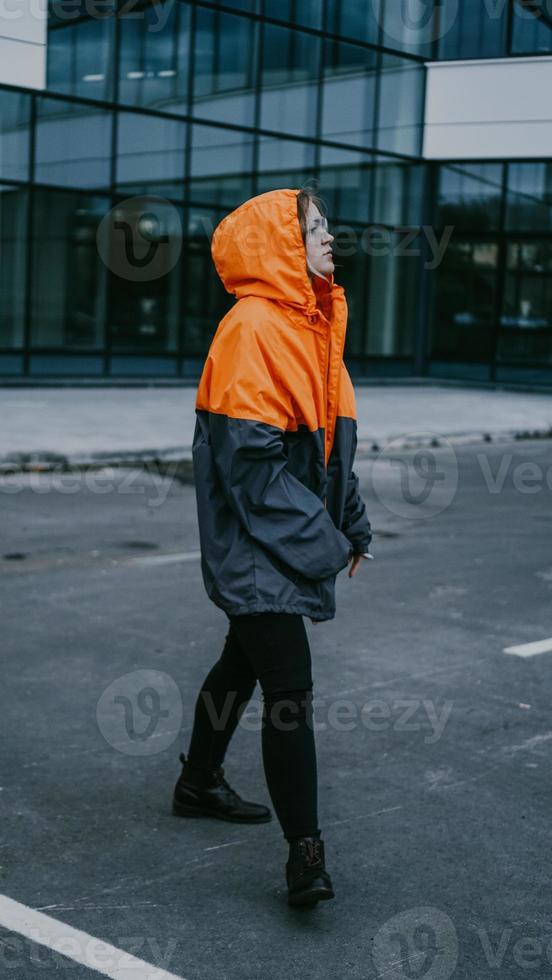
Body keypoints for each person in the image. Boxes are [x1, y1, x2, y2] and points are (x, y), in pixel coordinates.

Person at [172, 187, 373, 907]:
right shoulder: (252, 328)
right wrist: (325, 541)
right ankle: (305, 857)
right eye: (314, 228)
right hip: (253, 539)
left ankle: (197, 780)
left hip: (283, 538)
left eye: (327, 228)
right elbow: (251, 466)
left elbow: (332, 449)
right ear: (281, 243)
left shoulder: (317, 329)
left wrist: (354, 521)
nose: (330, 239)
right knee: (289, 686)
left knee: (241, 662)